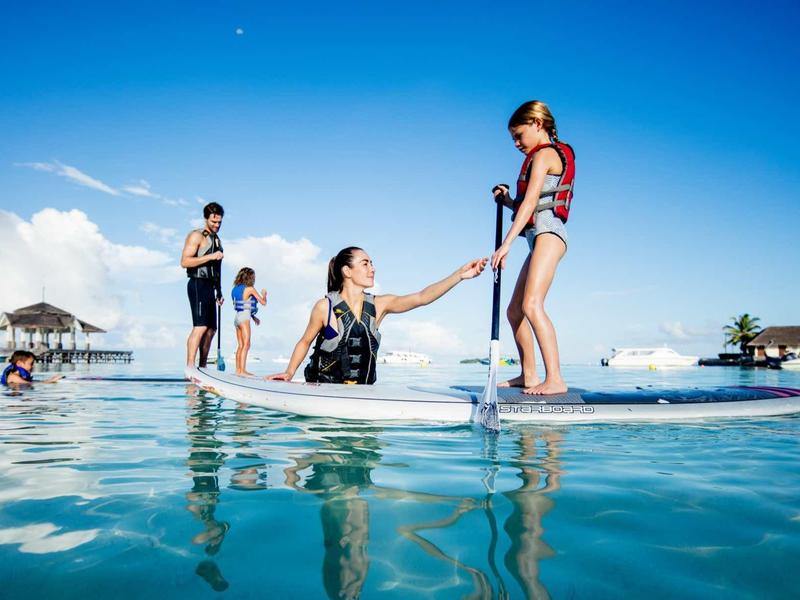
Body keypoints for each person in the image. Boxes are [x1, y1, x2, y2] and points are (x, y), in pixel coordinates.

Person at [268, 247, 487, 384]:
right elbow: (305, 341)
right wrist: (289, 372)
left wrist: (459, 275)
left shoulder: (379, 305)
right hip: (325, 390)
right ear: (347, 271)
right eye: (365, 263)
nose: (372, 268)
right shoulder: (324, 307)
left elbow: (422, 297)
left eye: (372, 263)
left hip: (363, 394)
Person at [490, 100, 575, 395]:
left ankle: (555, 378)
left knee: (532, 304)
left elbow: (532, 204)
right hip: (537, 235)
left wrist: (506, 244)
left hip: (549, 234)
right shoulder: (539, 156)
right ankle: (528, 374)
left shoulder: (546, 155)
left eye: (518, 135)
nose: (516, 143)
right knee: (515, 311)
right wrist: (507, 201)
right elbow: (528, 206)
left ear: (537, 124)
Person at [181, 202, 225, 368]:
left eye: (219, 222)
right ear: (206, 218)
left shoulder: (217, 240)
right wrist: (211, 257)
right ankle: (190, 367)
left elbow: (217, 269)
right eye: (214, 222)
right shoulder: (196, 236)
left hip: (210, 287)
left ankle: (203, 366)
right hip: (197, 284)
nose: (217, 225)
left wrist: (219, 292)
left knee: (211, 329)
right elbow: (184, 261)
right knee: (200, 327)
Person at [231, 267, 268, 376]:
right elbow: (263, 302)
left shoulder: (235, 289)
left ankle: (238, 370)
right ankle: (243, 371)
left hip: (237, 318)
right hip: (244, 318)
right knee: (246, 344)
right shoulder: (250, 289)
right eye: (253, 277)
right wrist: (264, 294)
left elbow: (243, 304)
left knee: (240, 345)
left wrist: (253, 317)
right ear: (250, 277)